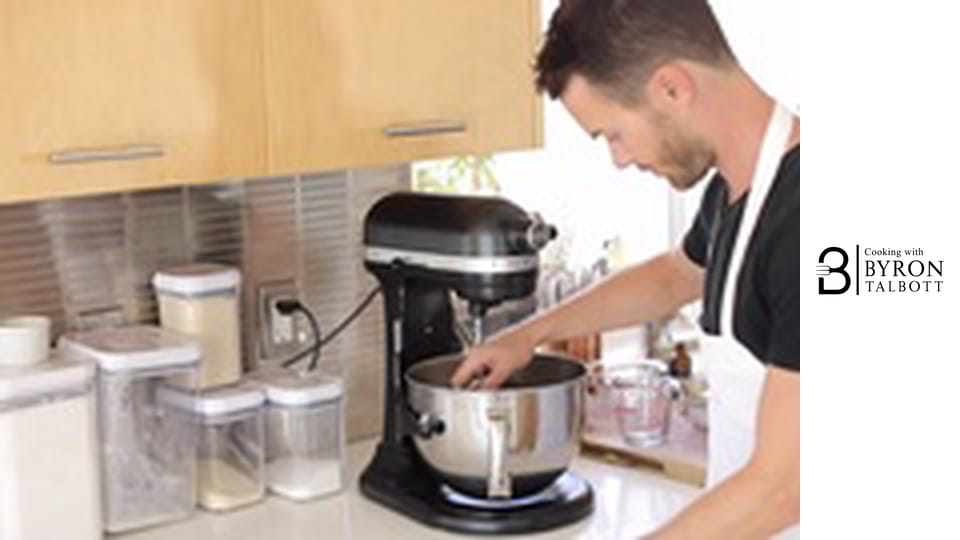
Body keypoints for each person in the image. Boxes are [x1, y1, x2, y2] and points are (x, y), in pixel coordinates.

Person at [450, 0, 800, 538]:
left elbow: (786, 488)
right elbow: (677, 274)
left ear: (672, 88)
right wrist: (529, 335)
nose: (618, 159)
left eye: (613, 133)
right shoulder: (737, 191)